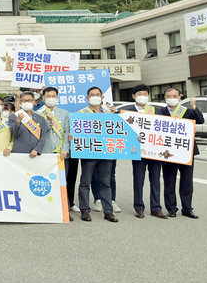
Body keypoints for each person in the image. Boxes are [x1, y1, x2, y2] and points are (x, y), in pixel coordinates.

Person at [116, 84, 167, 219]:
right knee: (139, 180)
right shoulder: (128, 112)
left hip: (155, 151)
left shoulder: (157, 111)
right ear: (133, 96)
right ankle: (139, 208)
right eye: (139, 94)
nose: (142, 96)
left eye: (145, 93)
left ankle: (156, 208)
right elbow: (123, 131)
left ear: (148, 95)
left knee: (155, 180)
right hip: (138, 151)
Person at [77, 87, 118, 223]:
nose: (95, 97)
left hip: (106, 154)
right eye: (92, 95)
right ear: (87, 98)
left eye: (98, 95)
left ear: (102, 98)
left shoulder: (109, 114)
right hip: (89, 154)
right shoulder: (81, 114)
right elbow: (75, 132)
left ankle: (108, 211)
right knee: (85, 182)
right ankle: (84, 209)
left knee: (106, 183)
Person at [161, 88, 204, 219]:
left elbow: (200, 120)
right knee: (169, 181)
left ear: (180, 97)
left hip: (186, 151)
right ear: (165, 97)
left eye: (174, 96)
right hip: (168, 151)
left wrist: (194, 106)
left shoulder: (188, 111)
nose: (172, 98)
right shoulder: (160, 112)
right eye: (169, 96)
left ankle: (187, 208)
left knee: (187, 181)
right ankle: (171, 208)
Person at [39, 86, 73, 209]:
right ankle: (48, 208)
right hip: (45, 153)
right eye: (48, 96)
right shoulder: (38, 114)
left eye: (53, 96)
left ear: (57, 98)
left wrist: (65, 149)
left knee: (63, 181)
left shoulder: (64, 113)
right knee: (47, 181)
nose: (51, 98)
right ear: (43, 98)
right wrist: (48, 121)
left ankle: (64, 208)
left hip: (61, 154)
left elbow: (66, 132)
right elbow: (39, 133)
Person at [9, 91, 49, 157]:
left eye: (30, 100)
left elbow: (43, 136)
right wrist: (18, 121)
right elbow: (15, 133)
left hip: (35, 153)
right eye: (25, 100)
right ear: (20, 103)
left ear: (33, 102)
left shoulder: (40, 118)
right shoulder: (13, 116)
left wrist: (36, 150)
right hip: (19, 153)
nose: (28, 102)